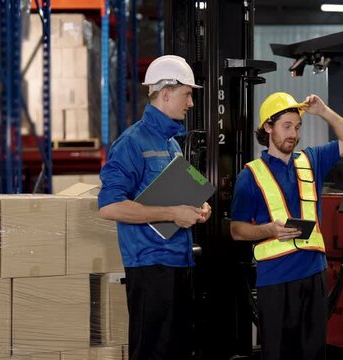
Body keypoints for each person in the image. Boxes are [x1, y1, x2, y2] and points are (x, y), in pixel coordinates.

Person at [230, 92, 343, 360]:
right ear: (268, 127)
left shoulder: (311, 160)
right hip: (275, 281)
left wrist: (324, 111)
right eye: (286, 126)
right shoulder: (249, 176)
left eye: (297, 126)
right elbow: (237, 230)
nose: (293, 134)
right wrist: (270, 230)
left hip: (314, 276)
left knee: (313, 354)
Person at [97, 55, 211, 360]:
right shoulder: (131, 143)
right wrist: (173, 213)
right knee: (152, 353)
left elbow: (180, 194)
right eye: (187, 94)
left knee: (177, 351)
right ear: (165, 93)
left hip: (178, 263)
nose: (191, 104)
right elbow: (109, 207)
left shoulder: (172, 143)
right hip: (150, 268)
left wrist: (198, 205)